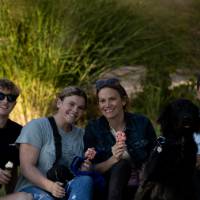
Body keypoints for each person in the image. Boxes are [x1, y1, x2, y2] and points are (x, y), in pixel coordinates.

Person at [14, 86, 94, 200]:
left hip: (65, 189)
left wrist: (85, 169)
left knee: (85, 180)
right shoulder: (37, 126)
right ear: (59, 103)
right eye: (71, 104)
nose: (75, 110)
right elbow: (26, 167)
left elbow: (78, 170)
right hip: (34, 188)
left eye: (80, 108)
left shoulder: (82, 135)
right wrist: (50, 186)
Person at [84, 78, 157, 200]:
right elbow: (91, 168)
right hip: (110, 188)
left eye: (112, 99)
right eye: (102, 101)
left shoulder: (142, 123)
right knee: (121, 165)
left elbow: (154, 156)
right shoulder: (93, 128)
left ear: (123, 101)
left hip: (142, 185)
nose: (107, 105)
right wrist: (113, 159)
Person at [0, 78, 32, 200]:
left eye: (10, 98)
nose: (5, 101)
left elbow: (12, 166)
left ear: (15, 104)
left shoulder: (18, 131)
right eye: (1, 96)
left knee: (25, 198)